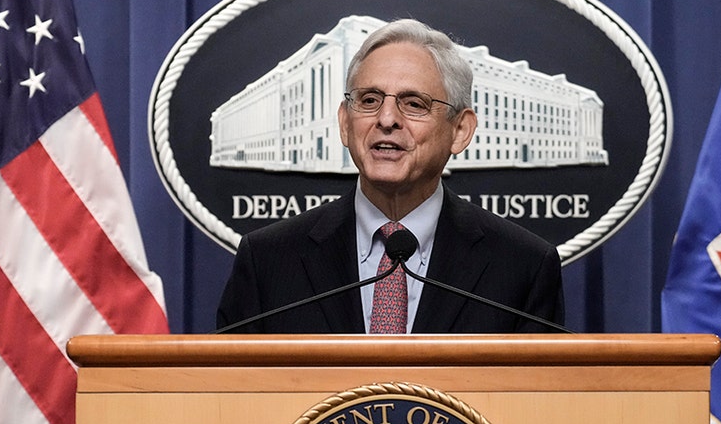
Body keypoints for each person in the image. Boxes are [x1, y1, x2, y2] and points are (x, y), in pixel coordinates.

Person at [216, 18, 564, 333]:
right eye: (369, 100)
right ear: (344, 123)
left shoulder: (523, 266)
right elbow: (228, 395)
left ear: (460, 130)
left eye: (414, 104)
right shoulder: (268, 260)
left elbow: (536, 398)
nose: (386, 119)